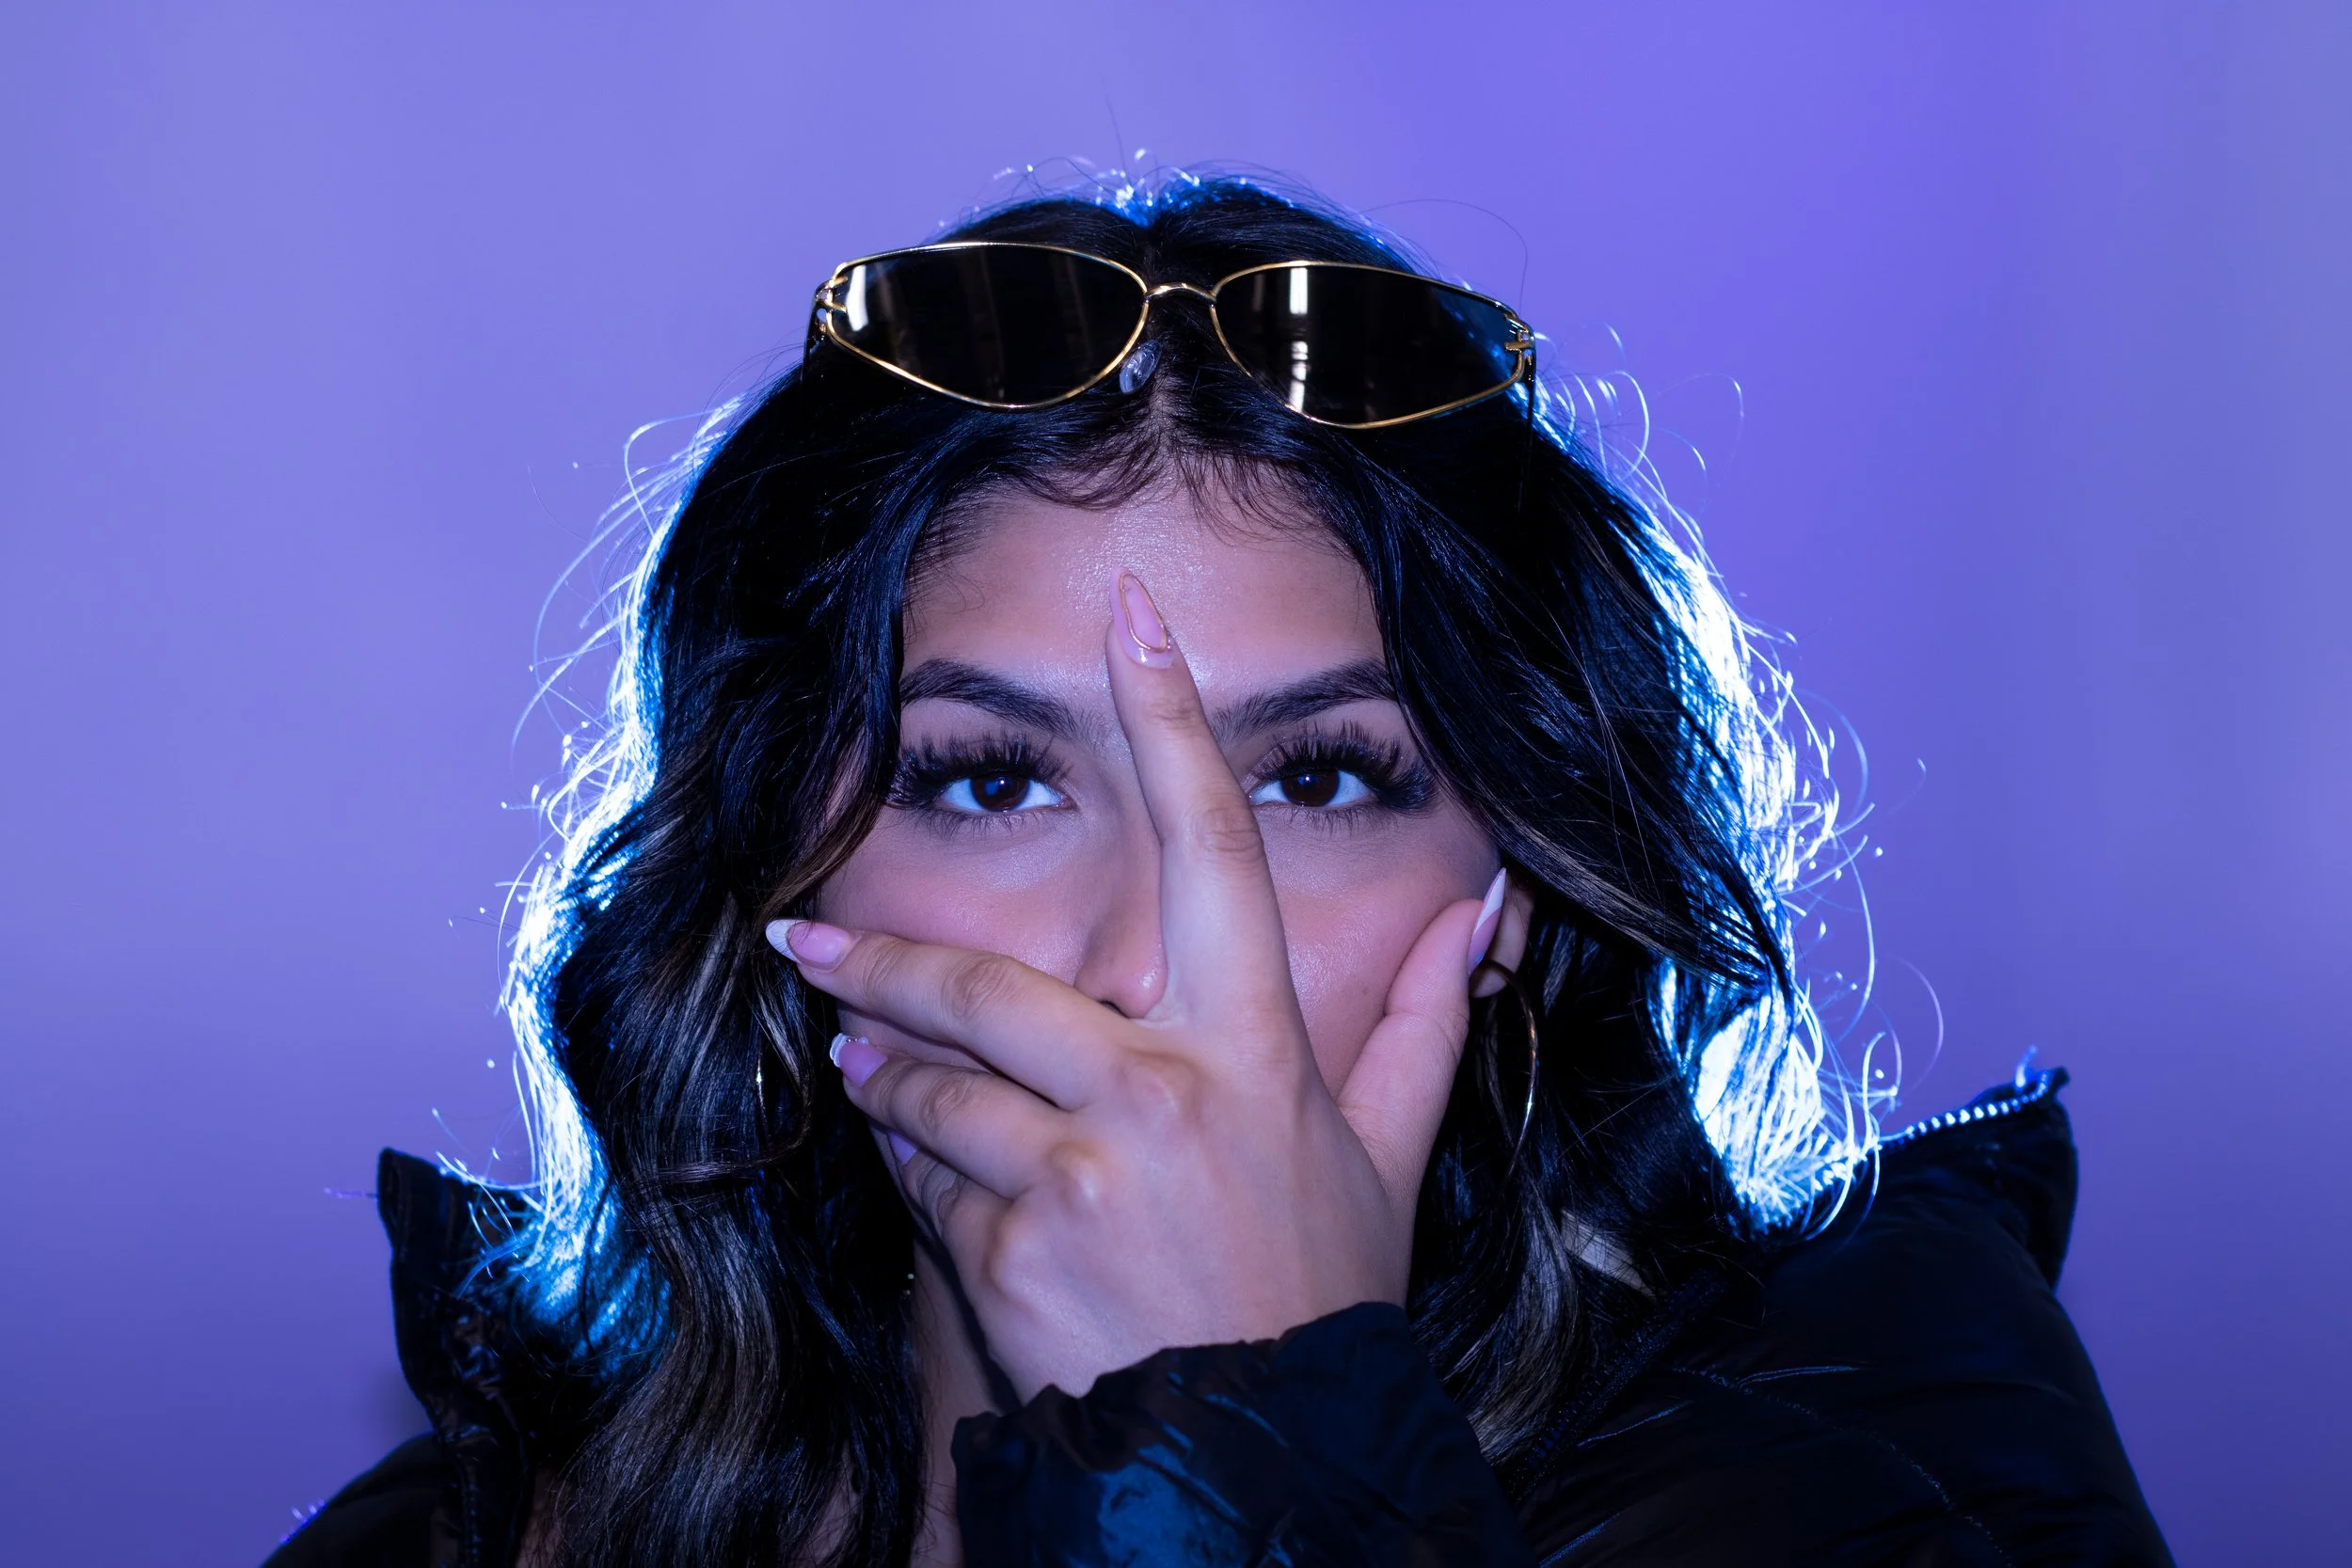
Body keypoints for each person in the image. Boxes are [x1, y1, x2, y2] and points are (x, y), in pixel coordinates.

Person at [269, 175, 2172, 1567]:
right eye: (994, 783)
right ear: (788, 880)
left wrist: (1250, 1424)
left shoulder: (1892, 1456)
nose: (1148, 956)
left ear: (1506, 894)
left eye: (1319, 778)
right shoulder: (495, 1518)